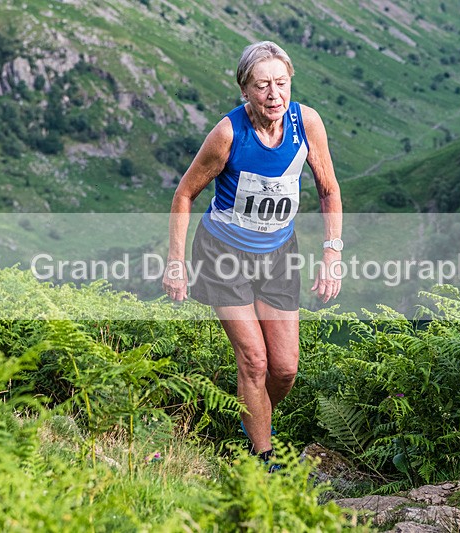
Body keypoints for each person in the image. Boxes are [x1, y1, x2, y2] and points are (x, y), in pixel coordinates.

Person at [163, 41, 343, 461]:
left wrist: (331, 255)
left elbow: (329, 189)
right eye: (262, 86)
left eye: (281, 83)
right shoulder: (228, 133)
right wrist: (176, 263)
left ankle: (246, 421)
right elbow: (184, 193)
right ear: (245, 90)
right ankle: (262, 459)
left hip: (279, 253)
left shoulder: (306, 123)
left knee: (284, 369)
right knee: (254, 361)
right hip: (223, 253)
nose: (274, 95)